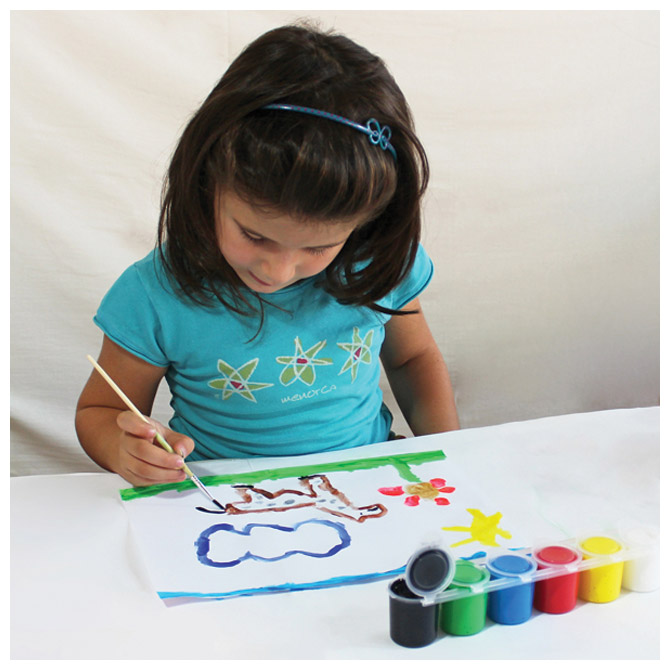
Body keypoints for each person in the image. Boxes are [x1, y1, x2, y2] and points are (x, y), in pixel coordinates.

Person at [75, 23, 459, 487]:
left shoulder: (376, 261)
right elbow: (101, 409)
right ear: (207, 182)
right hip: (224, 503)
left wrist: (453, 455)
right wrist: (123, 449)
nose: (278, 270)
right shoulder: (154, 294)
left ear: (366, 223)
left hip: (370, 487)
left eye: (317, 247)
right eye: (255, 236)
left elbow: (411, 358)